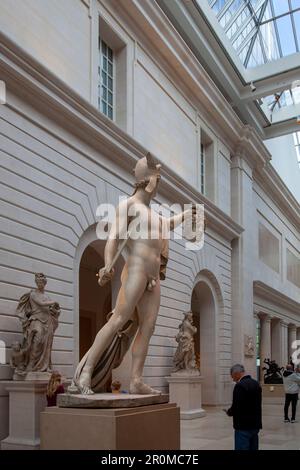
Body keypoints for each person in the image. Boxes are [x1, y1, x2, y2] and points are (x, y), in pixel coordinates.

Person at [72, 154, 199, 395]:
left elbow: (167, 225)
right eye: (157, 181)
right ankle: (87, 370)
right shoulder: (129, 206)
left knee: (148, 328)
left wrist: (186, 214)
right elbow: (113, 238)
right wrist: (108, 263)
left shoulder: (153, 213)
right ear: (150, 181)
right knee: (118, 319)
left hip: (153, 279)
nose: (158, 186)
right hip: (136, 271)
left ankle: (136, 380)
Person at [225, 364, 262, 450]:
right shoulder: (256, 383)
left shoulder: (240, 386)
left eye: (232, 376)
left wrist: (229, 412)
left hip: (243, 425)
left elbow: (236, 406)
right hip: (255, 424)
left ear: (237, 374)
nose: (233, 379)